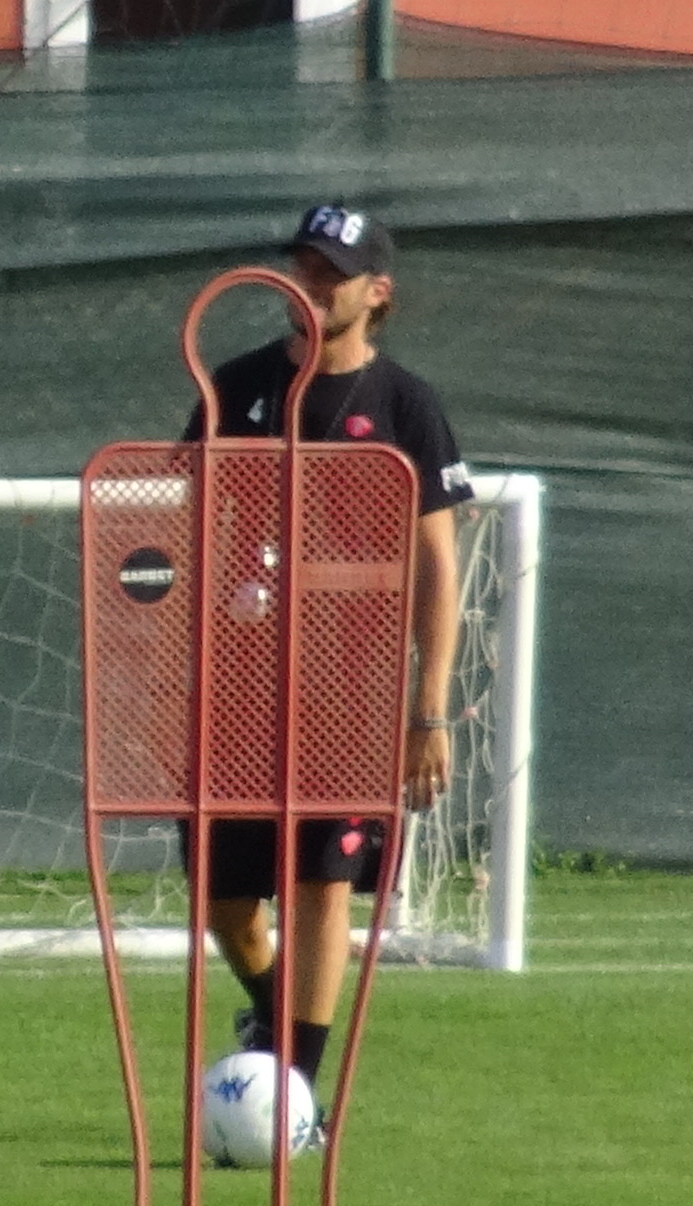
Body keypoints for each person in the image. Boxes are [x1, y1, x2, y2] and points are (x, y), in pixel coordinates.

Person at [183, 203, 476, 1093]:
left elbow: (436, 569)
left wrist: (430, 711)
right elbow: (187, 533)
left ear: (376, 293)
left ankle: (295, 1089)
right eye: (303, 268)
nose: (310, 287)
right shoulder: (233, 389)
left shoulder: (404, 405)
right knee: (226, 903)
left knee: (320, 886)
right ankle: (271, 1012)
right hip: (240, 684)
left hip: (349, 690)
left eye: (331, 274)